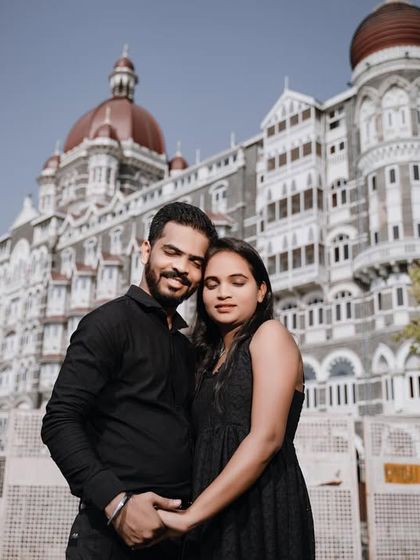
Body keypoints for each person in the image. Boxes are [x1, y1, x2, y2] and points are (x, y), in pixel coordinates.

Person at [41, 202, 218, 560]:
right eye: (172, 252)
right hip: (111, 539)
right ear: (146, 250)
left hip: (178, 540)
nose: (181, 268)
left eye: (195, 262)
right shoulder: (106, 324)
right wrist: (116, 503)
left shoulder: (185, 348)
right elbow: (59, 421)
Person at [158, 237, 315, 560]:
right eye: (212, 284)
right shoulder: (205, 359)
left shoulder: (269, 335)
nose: (223, 293)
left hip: (259, 508)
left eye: (237, 282)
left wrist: (190, 517)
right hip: (209, 513)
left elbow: (267, 438)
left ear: (261, 290)